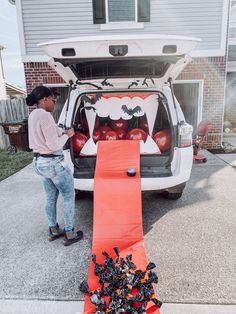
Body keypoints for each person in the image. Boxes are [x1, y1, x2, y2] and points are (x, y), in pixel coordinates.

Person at [26, 85, 83, 246]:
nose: (54, 102)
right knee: (68, 196)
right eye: (52, 100)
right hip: (53, 163)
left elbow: (50, 133)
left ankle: (53, 229)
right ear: (44, 100)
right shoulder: (45, 116)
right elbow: (53, 145)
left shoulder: (33, 115)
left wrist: (63, 131)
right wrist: (69, 135)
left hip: (39, 162)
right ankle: (70, 233)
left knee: (51, 197)